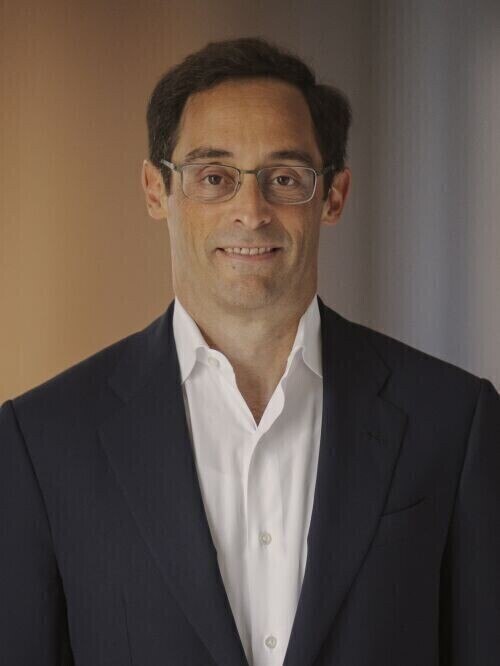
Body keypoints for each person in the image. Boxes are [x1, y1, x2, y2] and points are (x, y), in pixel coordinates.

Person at [0, 36, 498, 666]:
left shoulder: (454, 420)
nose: (251, 210)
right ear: (156, 190)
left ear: (334, 195)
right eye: (214, 177)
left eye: (284, 178)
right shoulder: (41, 441)